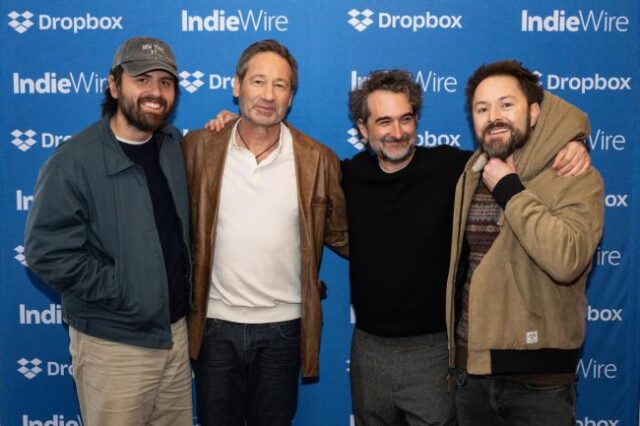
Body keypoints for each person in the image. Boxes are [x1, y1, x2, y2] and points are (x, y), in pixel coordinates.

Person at [208, 68, 589, 426]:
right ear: (363, 129)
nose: (397, 132)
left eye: (406, 119)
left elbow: (512, 137)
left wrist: (572, 141)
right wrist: (241, 125)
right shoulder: (346, 176)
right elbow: (294, 154)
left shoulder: (453, 168)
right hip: (368, 349)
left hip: (433, 350)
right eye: (384, 122)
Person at [24, 37, 193, 425]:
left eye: (165, 82)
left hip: (175, 335)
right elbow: (46, 252)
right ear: (114, 86)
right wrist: (123, 290)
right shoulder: (74, 160)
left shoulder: (172, 146)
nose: (155, 92)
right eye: (142, 79)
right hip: (114, 343)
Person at [182, 39, 348, 426]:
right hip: (214, 327)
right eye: (258, 81)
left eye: (280, 85)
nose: (268, 95)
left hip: (283, 331)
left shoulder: (318, 160)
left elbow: (345, 236)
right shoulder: (197, 148)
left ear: (291, 96)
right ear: (236, 86)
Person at [446, 60, 604, 425]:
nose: (493, 117)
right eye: (482, 109)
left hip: (539, 385)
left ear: (534, 113)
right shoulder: (471, 174)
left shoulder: (573, 174)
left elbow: (567, 259)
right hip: (472, 375)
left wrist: (510, 189)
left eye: (506, 104)